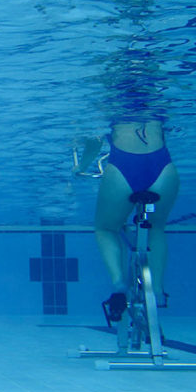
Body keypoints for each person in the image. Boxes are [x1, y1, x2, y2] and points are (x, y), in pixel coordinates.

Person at [74, 118, 178, 319]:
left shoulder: (108, 104)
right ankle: (156, 290)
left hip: (123, 167)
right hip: (163, 168)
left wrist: (81, 167)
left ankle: (119, 285)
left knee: (106, 229)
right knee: (156, 228)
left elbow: (94, 142)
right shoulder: (156, 108)